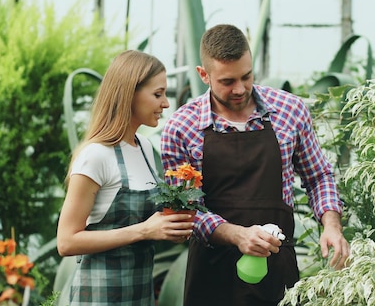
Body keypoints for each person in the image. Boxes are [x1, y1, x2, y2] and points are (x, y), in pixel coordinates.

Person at [160, 24, 350, 306]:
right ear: (204, 75)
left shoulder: (290, 111)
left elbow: (318, 176)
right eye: (227, 81)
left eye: (246, 76)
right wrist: (237, 235)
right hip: (211, 274)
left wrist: (331, 225)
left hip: (276, 267)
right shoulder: (181, 127)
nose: (240, 89)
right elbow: (184, 211)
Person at [56, 50, 194, 305]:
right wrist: (144, 230)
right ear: (129, 93)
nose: (165, 103)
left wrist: (170, 227)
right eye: (157, 94)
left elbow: (150, 225)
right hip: (98, 297)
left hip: (139, 295)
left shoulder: (145, 148)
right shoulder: (96, 155)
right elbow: (66, 242)